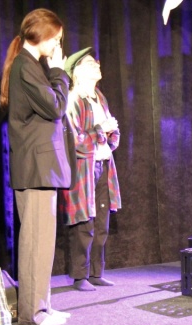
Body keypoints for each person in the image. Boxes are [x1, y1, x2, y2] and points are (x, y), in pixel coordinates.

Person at [0, 8, 75, 325]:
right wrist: (59, 72)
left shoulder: (30, 65)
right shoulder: (25, 66)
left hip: (41, 168)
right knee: (35, 243)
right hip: (35, 168)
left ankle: (42, 305)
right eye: (55, 39)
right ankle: (33, 312)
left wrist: (53, 71)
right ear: (41, 35)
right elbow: (56, 107)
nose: (58, 46)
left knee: (42, 242)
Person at [60, 47, 121, 292]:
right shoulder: (73, 100)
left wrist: (110, 132)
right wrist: (100, 130)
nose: (97, 64)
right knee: (84, 223)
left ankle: (96, 272)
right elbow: (74, 141)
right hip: (84, 168)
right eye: (89, 63)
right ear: (77, 72)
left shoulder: (99, 97)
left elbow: (110, 134)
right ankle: (80, 276)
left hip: (103, 164)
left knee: (102, 222)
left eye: (96, 61)